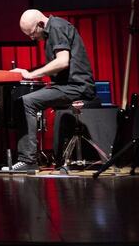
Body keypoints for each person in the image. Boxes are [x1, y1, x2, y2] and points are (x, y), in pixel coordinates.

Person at [6, 9, 97, 171]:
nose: (32, 38)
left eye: (32, 33)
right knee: (25, 101)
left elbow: (62, 62)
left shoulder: (56, 27)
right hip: (66, 85)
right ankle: (28, 158)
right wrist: (26, 72)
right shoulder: (54, 29)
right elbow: (55, 67)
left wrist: (31, 74)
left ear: (41, 24)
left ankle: (28, 160)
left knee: (26, 102)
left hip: (77, 86)